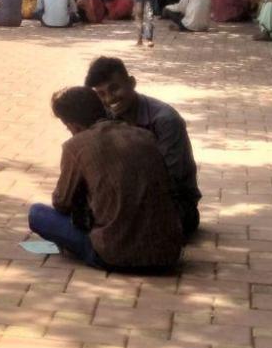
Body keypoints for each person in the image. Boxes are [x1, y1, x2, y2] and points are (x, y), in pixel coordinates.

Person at [28, 87, 187, 272]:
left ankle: (87, 246)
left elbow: (62, 203)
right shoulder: (144, 135)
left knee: (37, 214)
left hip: (114, 254)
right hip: (167, 254)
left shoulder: (76, 146)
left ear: (73, 125)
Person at [86, 57, 201, 236]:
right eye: (101, 94)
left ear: (132, 82)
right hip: (128, 203)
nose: (109, 98)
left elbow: (171, 178)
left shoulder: (165, 120)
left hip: (173, 207)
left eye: (114, 88)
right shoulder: (105, 118)